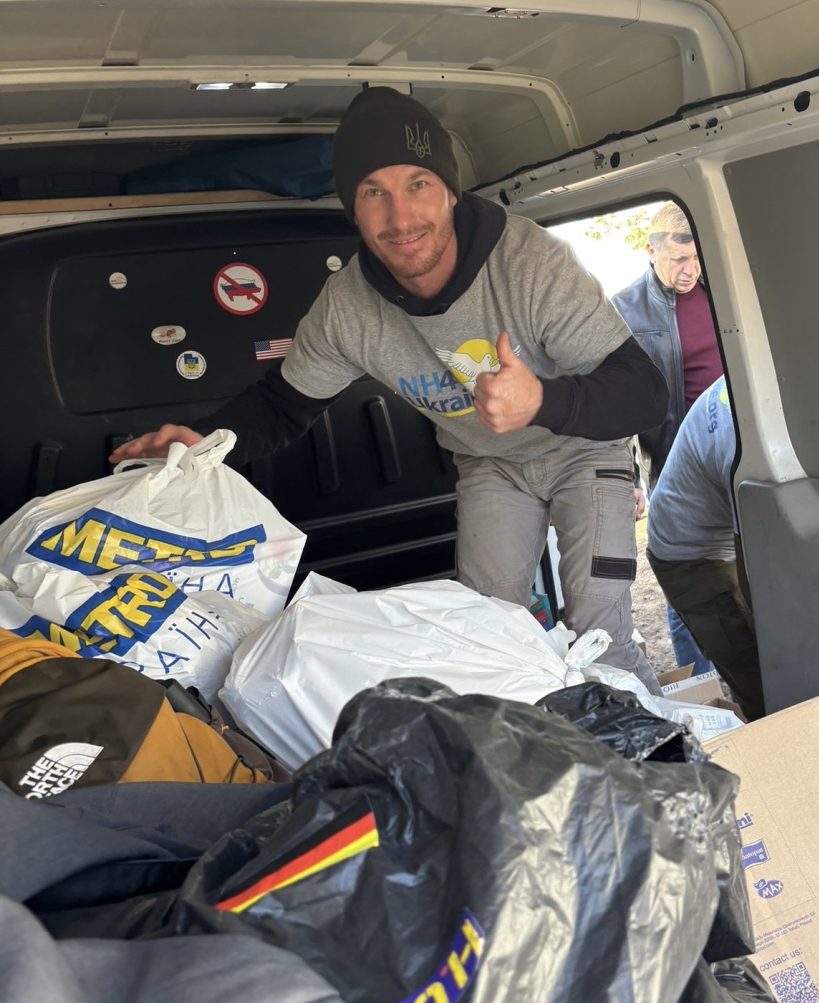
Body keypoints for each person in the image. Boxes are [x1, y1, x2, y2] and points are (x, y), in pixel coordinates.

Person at [110, 86, 667, 690]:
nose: (400, 218)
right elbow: (283, 404)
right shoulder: (348, 307)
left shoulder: (531, 263)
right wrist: (206, 440)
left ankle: (666, 764)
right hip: (489, 463)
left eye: (417, 185)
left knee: (597, 634)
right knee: (486, 632)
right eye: (374, 192)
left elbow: (643, 392)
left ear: (450, 190)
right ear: (352, 206)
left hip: (582, 450)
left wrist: (544, 401)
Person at [613, 200, 724, 675]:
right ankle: (702, 689)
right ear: (651, 251)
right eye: (679, 259)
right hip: (678, 461)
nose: (690, 270)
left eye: (697, 257)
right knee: (690, 585)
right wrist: (630, 477)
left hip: (740, 450)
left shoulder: (723, 288)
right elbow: (615, 407)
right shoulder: (624, 310)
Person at [645, 376, 765, 721]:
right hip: (687, 557)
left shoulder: (751, 382)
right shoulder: (741, 444)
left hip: (717, 531)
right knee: (760, 672)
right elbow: (763, 571)